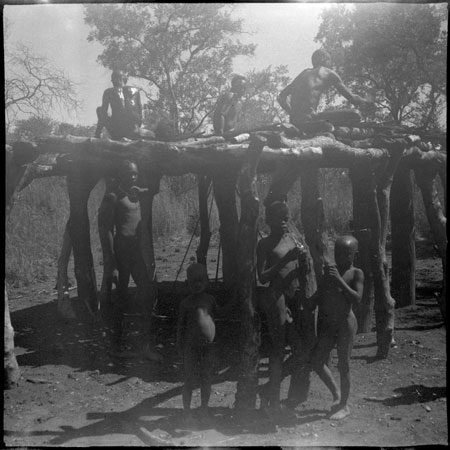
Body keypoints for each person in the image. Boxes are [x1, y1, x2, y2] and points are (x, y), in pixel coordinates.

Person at [98, 159, 160, 361]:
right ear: (120, 175)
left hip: (136, 254)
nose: (132, 176)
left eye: (135, 173)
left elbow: (154, 188)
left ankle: (145, 346)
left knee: (147, 294)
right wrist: (111, 262)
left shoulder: (137, 194)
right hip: (121, 254)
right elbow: (106, 229)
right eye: (128, 173)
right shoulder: (112, 197)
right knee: (120, 299)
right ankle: (116, 346)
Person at [256, 201, 313, 414]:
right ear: (268, 220)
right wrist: (285, 260)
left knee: (300, 351)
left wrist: (303, 261)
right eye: (278, 217)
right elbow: (262, 277)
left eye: (286, 217)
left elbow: (302, 270)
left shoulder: (293, 240)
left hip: (294, 297)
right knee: (278, 350)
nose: (283, 221)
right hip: (276, 298)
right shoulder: (265, 244)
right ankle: (274, 401)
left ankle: (268, 389)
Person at [310, 235, 364, 420]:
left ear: (354, 255)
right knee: (316, 361)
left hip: (345, 323)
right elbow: (320, 294)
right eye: (337, 252)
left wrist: (339, 281)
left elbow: (357, 298)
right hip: (329, 323)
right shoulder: (330, 272)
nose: (340, 257)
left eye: (345, 254)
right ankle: (336, 394)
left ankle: (344, 406)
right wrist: (308, 302)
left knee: (344, 365)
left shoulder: (356, 273)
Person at [278, 49, 373, 135]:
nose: (330, 64)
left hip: (295, 122)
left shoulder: (303, 73)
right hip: (311, 119)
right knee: (355, 114)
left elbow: (281, 98)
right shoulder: (328, 72)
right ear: (323, 59)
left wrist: (293, 113)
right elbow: (353, 99)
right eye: (329, 60)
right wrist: (366, 101)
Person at [177, 263, 217, 426]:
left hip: (208, 348)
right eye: (193, 282)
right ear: (188, 284)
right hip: (191, 348)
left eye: (201, 280)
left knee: (206, 379)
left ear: (207, 281)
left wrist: (235, 300)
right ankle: (187, 412)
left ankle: (204, 409)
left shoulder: (211, 300)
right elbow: (180, 327)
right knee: (189, 379)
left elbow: (220, 316)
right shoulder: (186, 304)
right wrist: (180, 348)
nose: (197, 284)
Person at [95, 70, 155, 141]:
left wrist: (97, 133)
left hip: (117, 131)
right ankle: (133, 134)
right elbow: (140, 114)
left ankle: (102, 135)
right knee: (152, 134)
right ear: (124, 79)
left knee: (99, 110)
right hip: (134, 131)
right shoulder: (136, 90)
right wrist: (137, 128)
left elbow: (103, 113)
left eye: (112, 81)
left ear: (115, 80)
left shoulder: (108, 92)